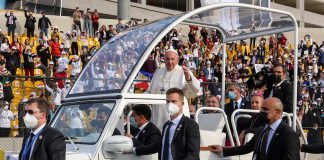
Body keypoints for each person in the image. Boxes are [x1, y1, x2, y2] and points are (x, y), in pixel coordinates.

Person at [209, 97, 300, 160]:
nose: (261, 112)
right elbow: (246, 148)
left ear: (277, 112)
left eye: (265, 109)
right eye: (261, 109)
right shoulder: (263, 129)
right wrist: (223, 149)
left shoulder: (288, 134)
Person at [147, 49, 200, 129]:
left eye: (172, 59)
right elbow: (149, 91)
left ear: (177, 60)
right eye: (167, 59)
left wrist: (188, 79)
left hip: (176, 113)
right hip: (158, 113)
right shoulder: (158, 72)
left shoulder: (184, 71)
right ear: (164, 59)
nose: (170, 62)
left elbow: (194, 91)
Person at [159, 88, 200, 160]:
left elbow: (193, 154)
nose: (169, 104)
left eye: (173, 101)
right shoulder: (166, 125)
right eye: (168, 101)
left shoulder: (190, 125)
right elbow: (161, 146)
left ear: (182, 104)